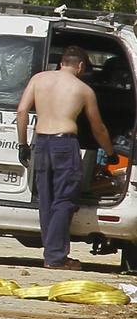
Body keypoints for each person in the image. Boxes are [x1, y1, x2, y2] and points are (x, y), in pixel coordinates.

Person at [16, 45, 113, 270]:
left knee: (47, 200)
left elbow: (21, 111)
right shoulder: (83, 89)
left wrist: (22, 145)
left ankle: (52, 254)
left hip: (40, 143)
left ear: (61, 63)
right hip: (64, 144)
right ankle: (56, 258)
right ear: (80, 66)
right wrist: (110, 153)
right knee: (64, 201)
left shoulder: (39, 79)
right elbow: (98, 128)